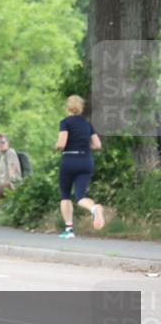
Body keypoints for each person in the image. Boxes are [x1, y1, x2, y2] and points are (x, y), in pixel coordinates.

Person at [56, 95, 106, 238]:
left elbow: (61, 143)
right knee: (80, 197)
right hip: (86, 160)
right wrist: (84, 146)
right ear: (81, 108)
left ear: (68, 107)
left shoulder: (65, 122)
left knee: (65, 195)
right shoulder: (87, 124)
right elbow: (97, 145)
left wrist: (56, 147)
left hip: (70, 160)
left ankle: (69, 230)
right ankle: (93, 208)